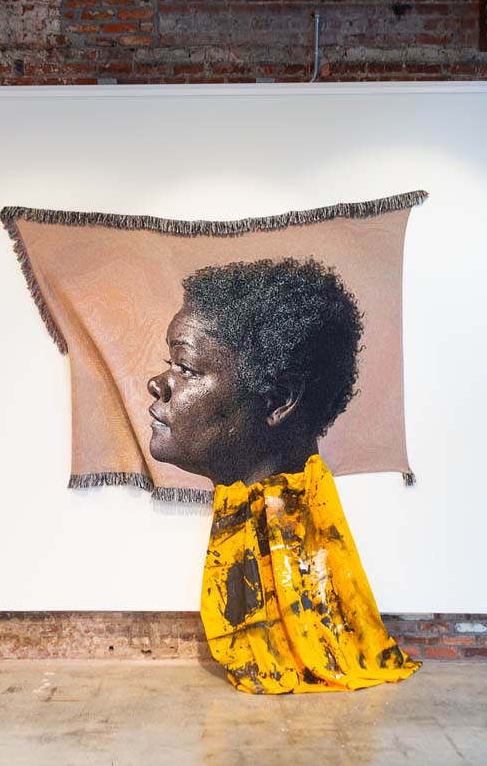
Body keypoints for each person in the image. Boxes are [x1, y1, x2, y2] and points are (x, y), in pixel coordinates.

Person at [146, 257, 420, 694]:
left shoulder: (294, 511)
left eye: (187, 367)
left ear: (277, 400)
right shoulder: (242, 503)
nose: (158, 384)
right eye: (170, 362)